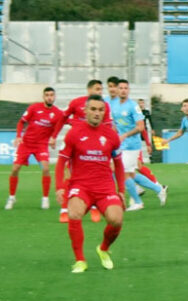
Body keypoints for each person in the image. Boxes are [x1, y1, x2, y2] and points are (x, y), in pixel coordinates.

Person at [55, 95, 126, 273]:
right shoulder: (74, 133)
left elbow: (118, 164)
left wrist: (121, 190)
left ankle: (103, 249)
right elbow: (61, 162)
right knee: (74, 213)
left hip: (105, 187)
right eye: (93, 109)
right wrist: (59, 188)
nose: (97, 113)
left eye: (100, 110)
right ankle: (80, 260)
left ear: (105, 113)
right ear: (85, 111)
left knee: (116, 220)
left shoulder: (111, 135)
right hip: (81, 186)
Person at [53, 79, 114, 223]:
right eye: (97, 89)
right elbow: (63, 117)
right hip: (77, 145)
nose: (100, 92)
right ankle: (64, 209)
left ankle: (94, 208)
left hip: (96, 145)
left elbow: (108, 126)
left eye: (101, 89)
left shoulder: (104, 106)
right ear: (89, 90)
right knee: (70, 175)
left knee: (96, 176)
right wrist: (54, 136)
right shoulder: (76, 103)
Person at [110, 79, 167, 210]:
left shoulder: (133, 106)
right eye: (121, 88)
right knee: (130, 174)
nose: (123, 90)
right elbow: (115, 125)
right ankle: (158, 189)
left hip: (131, 145)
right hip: (121, 145)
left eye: (126, 88)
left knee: (122, 173)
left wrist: (125, 135)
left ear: (128, 90)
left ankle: (137, 202)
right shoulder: (115, 106)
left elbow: (140, 127)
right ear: (118, 90)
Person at [5, 87, 64, 210]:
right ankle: (11, 197)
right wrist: (18, 136)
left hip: (41, 145)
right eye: (47, 95)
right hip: (26, 143)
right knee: (15, 169)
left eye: (52, 95)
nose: (49, 97)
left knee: (46, 169)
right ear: (43, 97)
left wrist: (53, 137)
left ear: (55, 97)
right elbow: (21, 122)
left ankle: (45, 198)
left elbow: (60, 125)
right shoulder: (34, 108)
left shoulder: (57, 113)